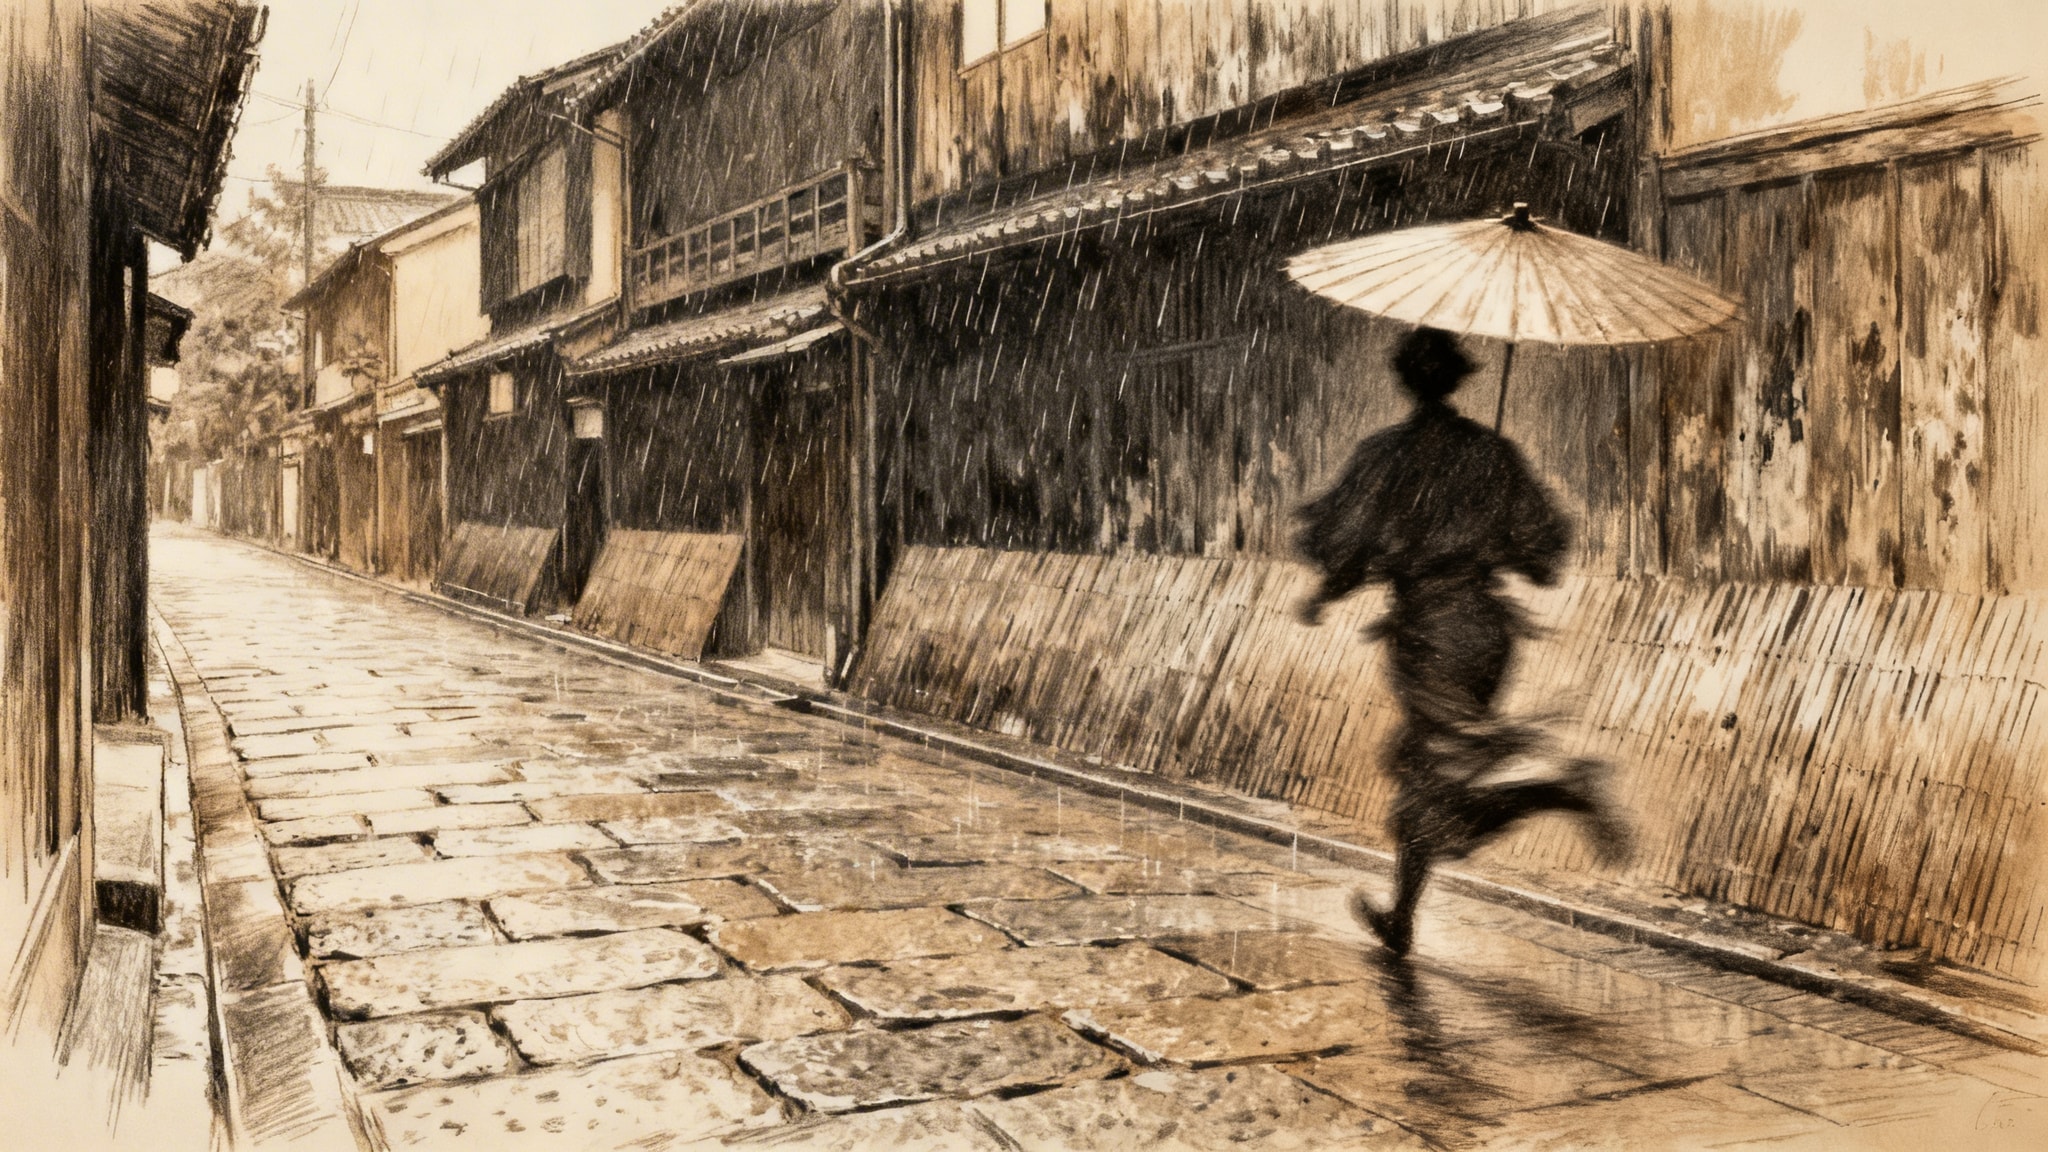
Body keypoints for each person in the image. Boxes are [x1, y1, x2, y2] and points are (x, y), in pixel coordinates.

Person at [1295, 326, 1630, 957]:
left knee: (1441, 781)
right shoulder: (1491, 453)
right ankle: (1402, 916)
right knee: (1431, 773)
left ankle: (1563, 789)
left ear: (1405, 380)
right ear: (1456, 379)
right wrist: (1486, 531)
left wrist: (1326, 592)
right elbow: (1543, 556)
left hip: (1427, 635)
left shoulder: (1386, 455)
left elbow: (1345, 540)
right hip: (1486, 629)